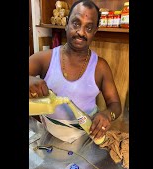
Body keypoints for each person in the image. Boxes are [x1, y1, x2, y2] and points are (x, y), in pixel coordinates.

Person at [29, 0, 121, 143]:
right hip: (50, 136)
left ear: (95, 31)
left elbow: (115, 104)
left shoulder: (100, 67)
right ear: (66, 23)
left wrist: (108, 114)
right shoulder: (45, 59)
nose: (81, 32)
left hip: (86, 137)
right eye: (76, 24)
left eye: (89, 28)